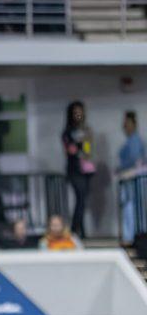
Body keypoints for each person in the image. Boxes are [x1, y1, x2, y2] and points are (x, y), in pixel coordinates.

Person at [63, 100, 96, 237]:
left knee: (82, 200)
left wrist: (87, 141)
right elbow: (71, 150)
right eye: (76, 112)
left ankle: (80, 231)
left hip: (85, 169)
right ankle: (74, 230)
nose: (79, 115)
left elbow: (87, 152)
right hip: (75, 170)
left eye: (80, 112)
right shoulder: (68, 132)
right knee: (80, 199)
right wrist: (81, 142)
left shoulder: (85, 130)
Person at [118, 111, 147, 245]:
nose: (125, 126)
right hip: (129, 178)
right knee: (130, 208)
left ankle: (132, 237)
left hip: (133, 179)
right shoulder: (130, 141)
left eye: (128, 123)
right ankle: (131, 236)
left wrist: (128, 172)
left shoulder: (135, 141)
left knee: (131, 208)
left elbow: (137, 162)